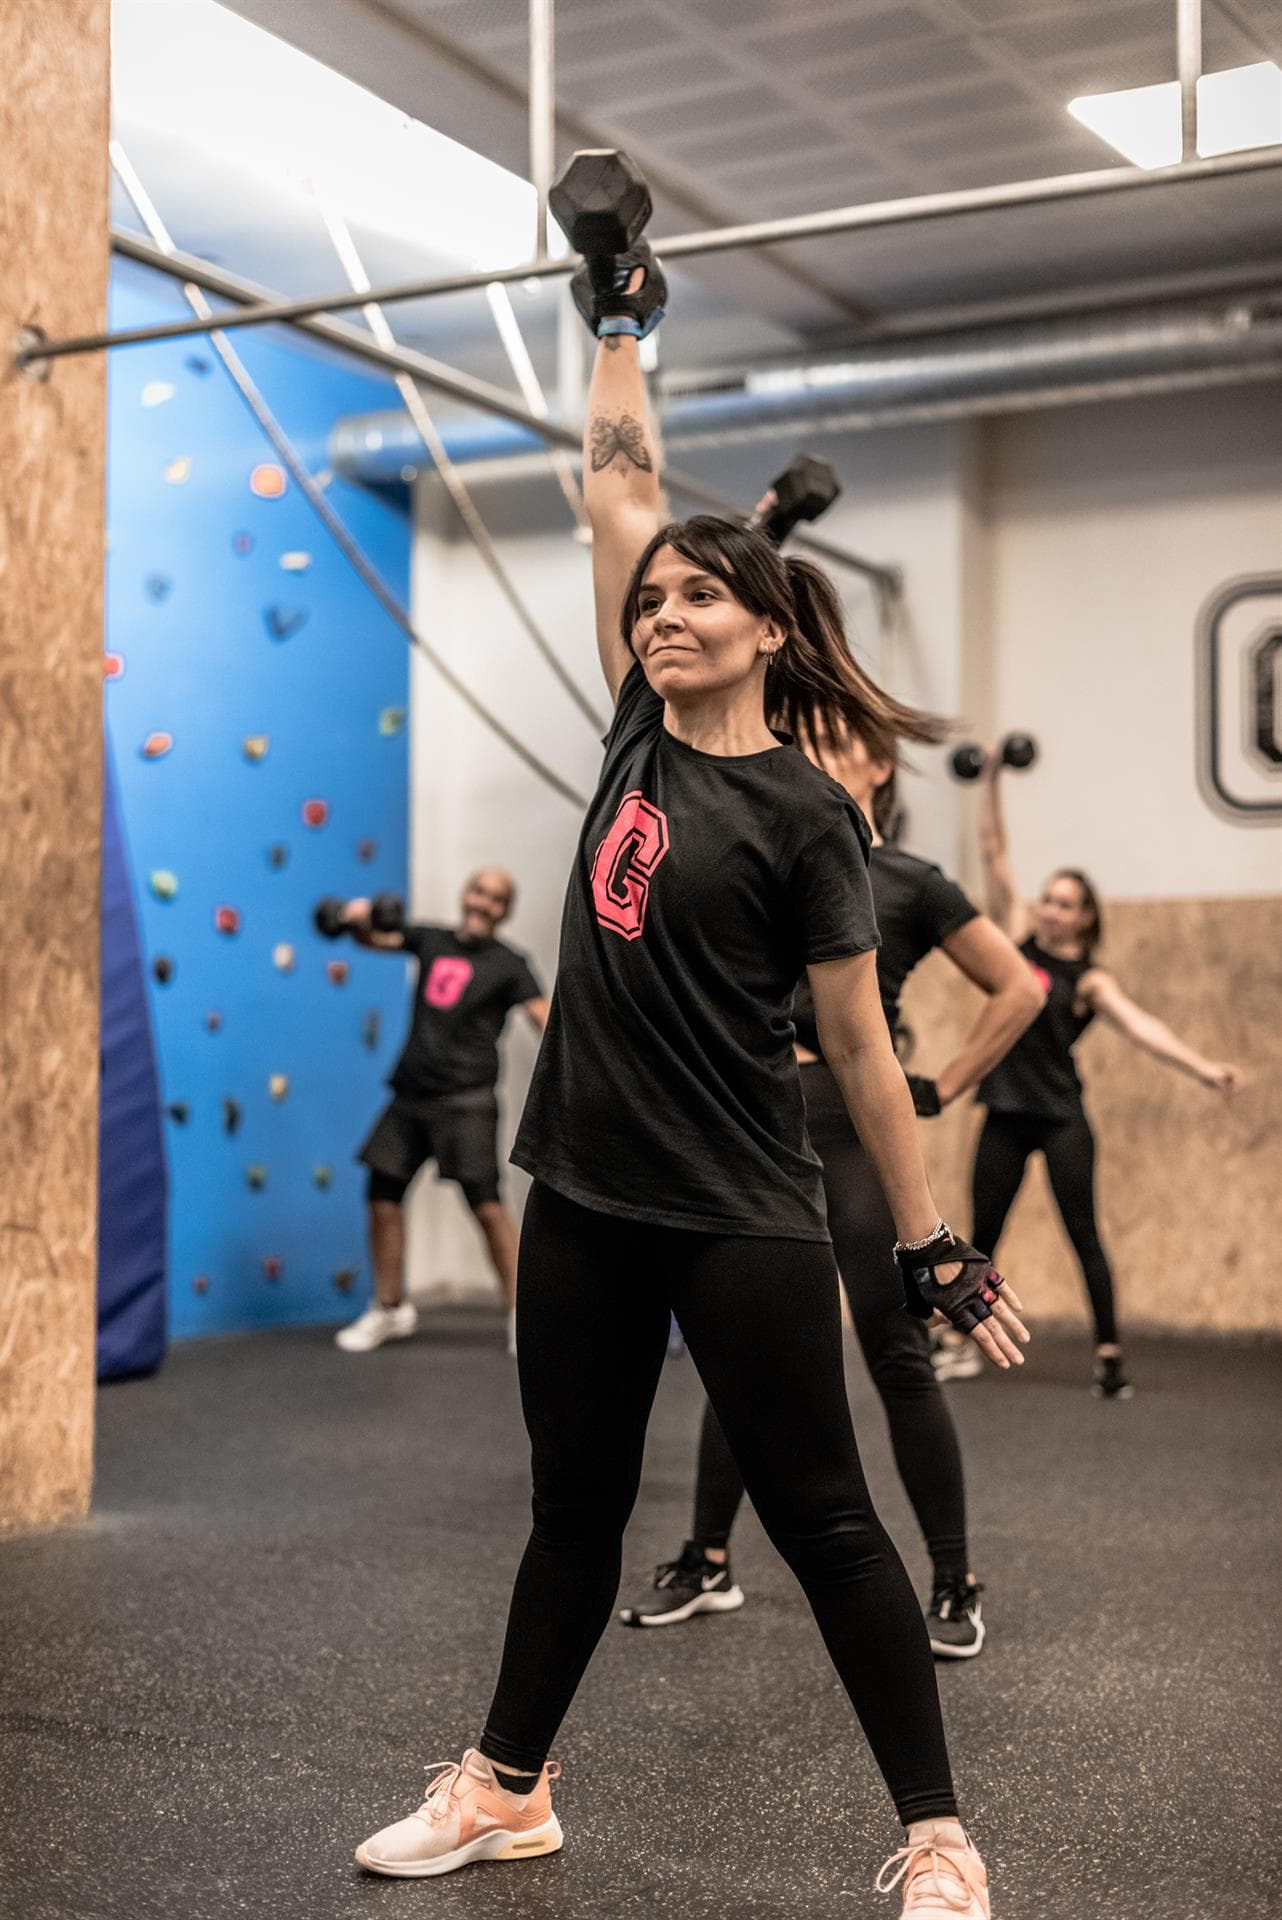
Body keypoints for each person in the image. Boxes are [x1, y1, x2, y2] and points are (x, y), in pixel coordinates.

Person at [352, 247, 1029, 1919]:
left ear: (764, 628)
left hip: (739, 1212)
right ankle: (507, 1788)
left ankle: (938, 1833)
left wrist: (928, 1244)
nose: (659, 611)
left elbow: (864, 1054)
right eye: (649, 601)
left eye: (694, 598)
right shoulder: (627, 740)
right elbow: (618, 489)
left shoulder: (813, 820)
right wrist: (616, 316)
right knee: (570, 1511)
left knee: (823, 1519)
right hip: (581, 1196)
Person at [622, 716, 1044, 1658]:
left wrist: (947, 1083)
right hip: (755, 1128)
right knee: (742, 1353)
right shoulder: (768, 849)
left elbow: (1019, 988)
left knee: (897, 1355)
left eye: (832, 739)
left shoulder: (909, 881)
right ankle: (709, 1559)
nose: (809, 750)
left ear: (879, 762)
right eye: (799, 736)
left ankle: (953, 1580)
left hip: (851, 1130)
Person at [964, 748, 1243, 1399]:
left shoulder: (1088, 979)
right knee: (983, 1236)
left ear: (1086, 916)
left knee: (1084, 1233)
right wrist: (991, 779)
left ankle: (1110, 1354)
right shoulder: (1013, 943)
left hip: (1061, 1116)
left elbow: (1144, 1027)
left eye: (1066, 904)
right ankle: (959, 1340)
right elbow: (994, 856)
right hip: (1005, 1111)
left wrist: (1205, 1070)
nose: (1052, 909)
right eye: (1049, 900)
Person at [333, 870, 548, 1355]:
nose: (483, 902)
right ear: (464, 894)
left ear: (505, 911)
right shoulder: (430, 939)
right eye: (478, 891)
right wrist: (356, 919)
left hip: (467, 1101)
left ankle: (522, 1315)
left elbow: (542, 1017)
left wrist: (584, 1062)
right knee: (382, 1195)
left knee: (487, 1206)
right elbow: (375, 940)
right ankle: (390, 1309)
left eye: (496, 898)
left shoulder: (511, 964)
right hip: (410, 1096)